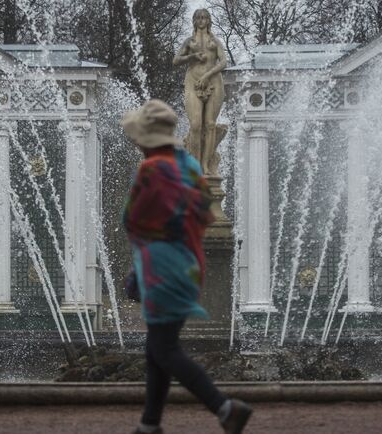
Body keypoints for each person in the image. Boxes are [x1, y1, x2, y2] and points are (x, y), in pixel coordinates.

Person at [121, 99, 252, 434]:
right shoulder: (189, 165)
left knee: (164, 348)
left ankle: (225, 409)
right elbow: (204, 214)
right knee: (157, 348)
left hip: (161, 270)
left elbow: (132, 220)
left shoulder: (152, 170)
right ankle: (150, 425)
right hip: (190, 266)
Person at [173, 8, 228, 176]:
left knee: (210, 124)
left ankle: (205, 164)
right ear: (195, 21)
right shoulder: (189, 42)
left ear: (209, 20)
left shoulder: (215, 41)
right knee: (196, 125)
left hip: (214, 82)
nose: (202, 20)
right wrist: (192, 57)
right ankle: (195, 163)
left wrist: (208, 75)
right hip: (193, 82)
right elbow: (175, 60)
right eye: (198, 18)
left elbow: (224, 62)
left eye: (205, 17)